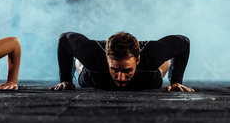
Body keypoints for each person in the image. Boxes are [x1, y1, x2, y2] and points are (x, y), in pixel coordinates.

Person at [51, 31, 194, 92]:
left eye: (126, 70)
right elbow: (65, 39)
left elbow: (184, 42)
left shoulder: (153, 54)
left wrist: (176, 81)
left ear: (137, 60)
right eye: (115, 69)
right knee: (83, 64)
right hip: (96, 75)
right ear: (107, 59)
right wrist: (66, 79)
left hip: (144, 76)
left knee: (161, 65)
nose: (120, 78)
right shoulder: (92, 55)